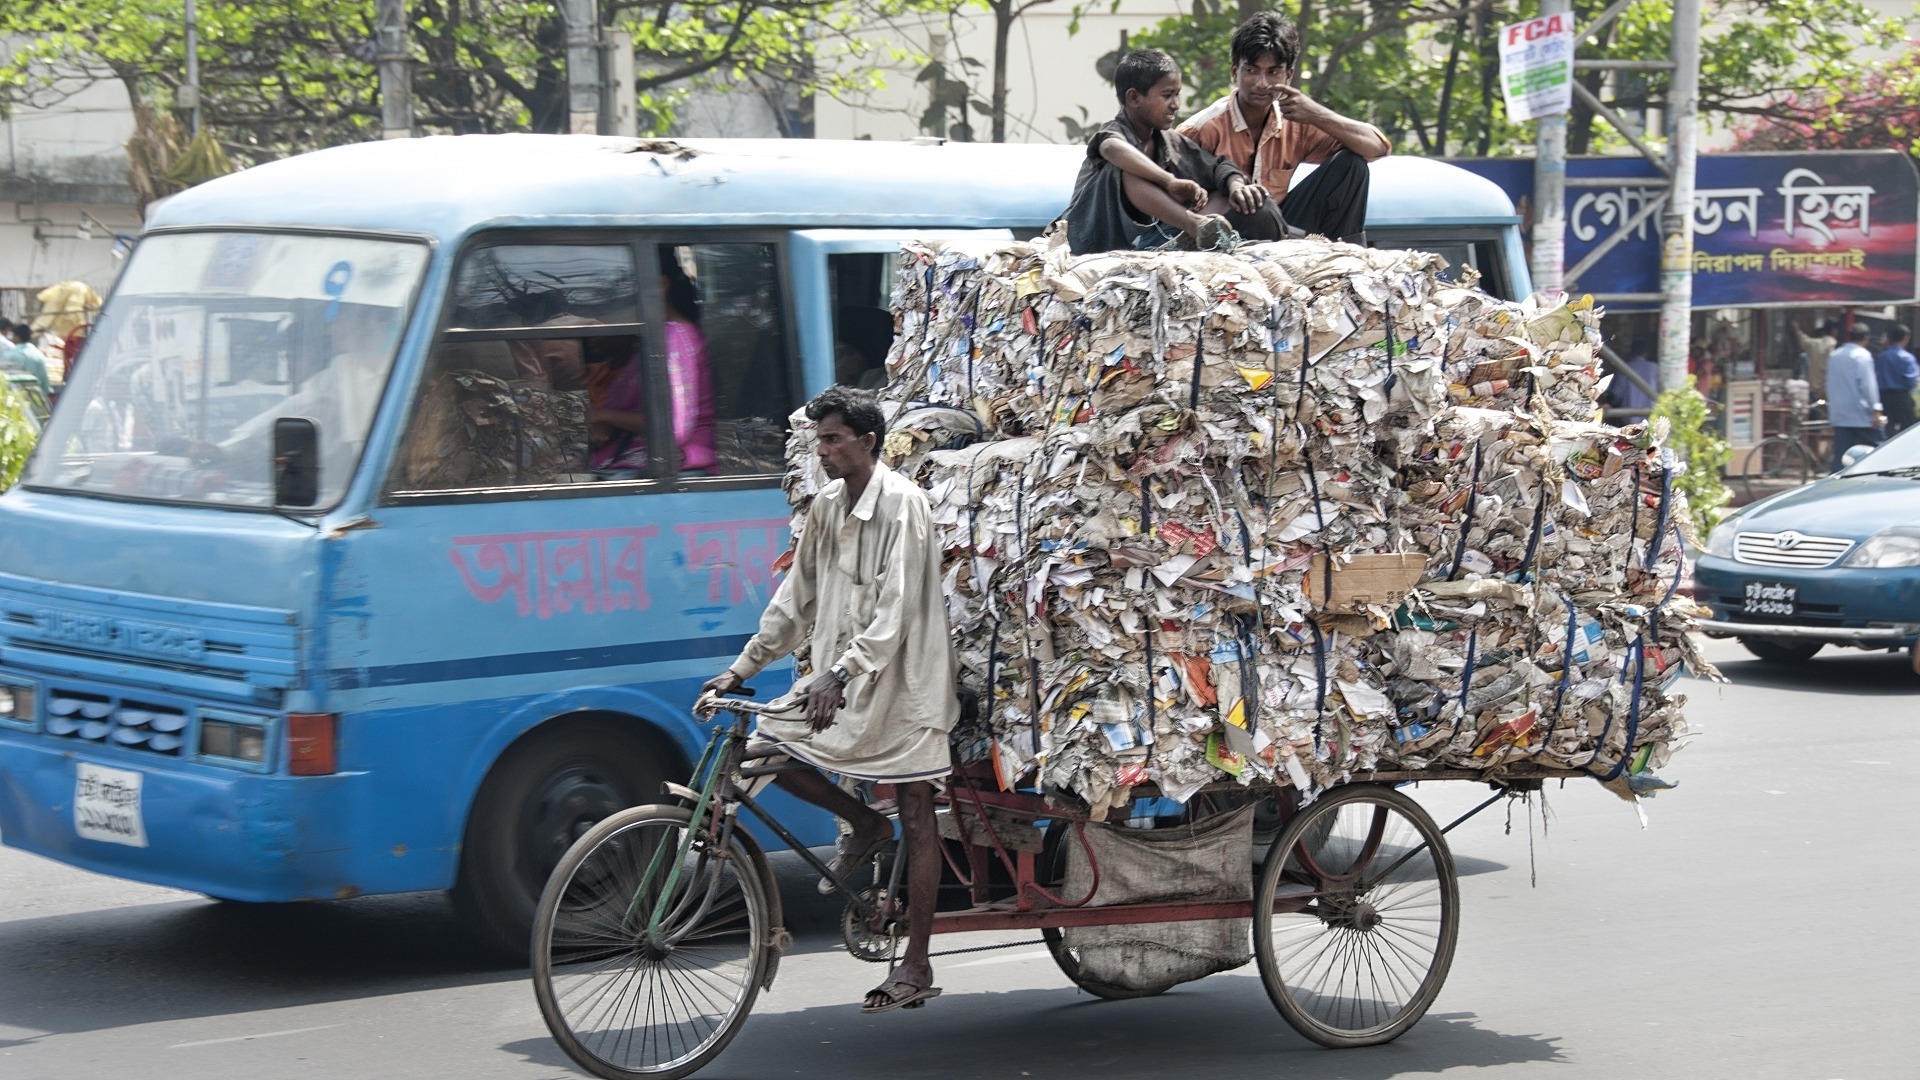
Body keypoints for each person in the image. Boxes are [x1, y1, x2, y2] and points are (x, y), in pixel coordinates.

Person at [700, 386, 957, 1015]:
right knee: (765, 747)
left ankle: (917, 964)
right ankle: (867, 823)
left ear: (868, 441)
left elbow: (895, 609)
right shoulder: (824, 508)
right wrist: (741, 669)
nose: (824, 451)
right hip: (844, 680)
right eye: (818, 440)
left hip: (906, 686)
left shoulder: (904, 505)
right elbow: (795, 601)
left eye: (834, 439)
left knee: (919, 811)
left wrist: (837, 674)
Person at [1177, 12, 1389, 243]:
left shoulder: (1298, 120)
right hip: (1222, 236)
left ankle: (1345, 258)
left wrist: (1317, 113)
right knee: (1259, 207)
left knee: (1352, 165)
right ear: (1234, 71)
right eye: (1251, 70)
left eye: (1273, 72)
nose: (1262, 83)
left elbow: (1376, 148)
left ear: (1288, 76)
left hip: (1281, 227)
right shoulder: (1202, 129)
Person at [1058, 48, 1284, 255]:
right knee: (1125, 170)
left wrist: (1236, 186)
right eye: (1167, 96)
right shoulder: (1114, 132)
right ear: (1134, 98)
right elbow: (1111, 148)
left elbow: (1218, 166)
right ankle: (1194, 226)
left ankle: (1180, 241)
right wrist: (1169, 182)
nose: (1175, 104)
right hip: (1090, 240)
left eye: (1177, 95)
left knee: (1225, 191)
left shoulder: (1169, 141)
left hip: (1145, 242)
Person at [586, 251, 717, 475]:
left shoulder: (675, 339)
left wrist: (601, 415)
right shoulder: (658, 336)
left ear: (660, 285)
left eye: (627, 292)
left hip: (676, 462)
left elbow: (671, 427)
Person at [1825, 322, 1883, 471]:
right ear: (1866, 338)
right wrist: (1875, 408)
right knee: (1880, 448)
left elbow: (1830, 382)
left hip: (1840, 413)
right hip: (1860, 413)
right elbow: (1868, 385)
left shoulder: (1835, 355)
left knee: (1841, 456)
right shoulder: (1862, 356)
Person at [1873, 325, 1917, 436]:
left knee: (1889, 426)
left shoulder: (1882, 357)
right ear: (1905, 338)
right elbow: (1912, 381)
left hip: (1885, 397)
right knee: (1909, 428)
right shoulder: (1907, 358)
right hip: (1902, 396)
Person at [1, 320, 53, 399]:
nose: (11, 338)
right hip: (36, 400)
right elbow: (45, 384)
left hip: (15, 399)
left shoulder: (10, 355)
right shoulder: (38, 354)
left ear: (17, 337)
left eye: (13, 336)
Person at [1793, 320, 1837, 401]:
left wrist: (1797, 329)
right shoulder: (1834, 345)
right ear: (1834, 331)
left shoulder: (1813, 344)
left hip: (1812, 389)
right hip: (1827, 390)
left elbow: (1803, 339)